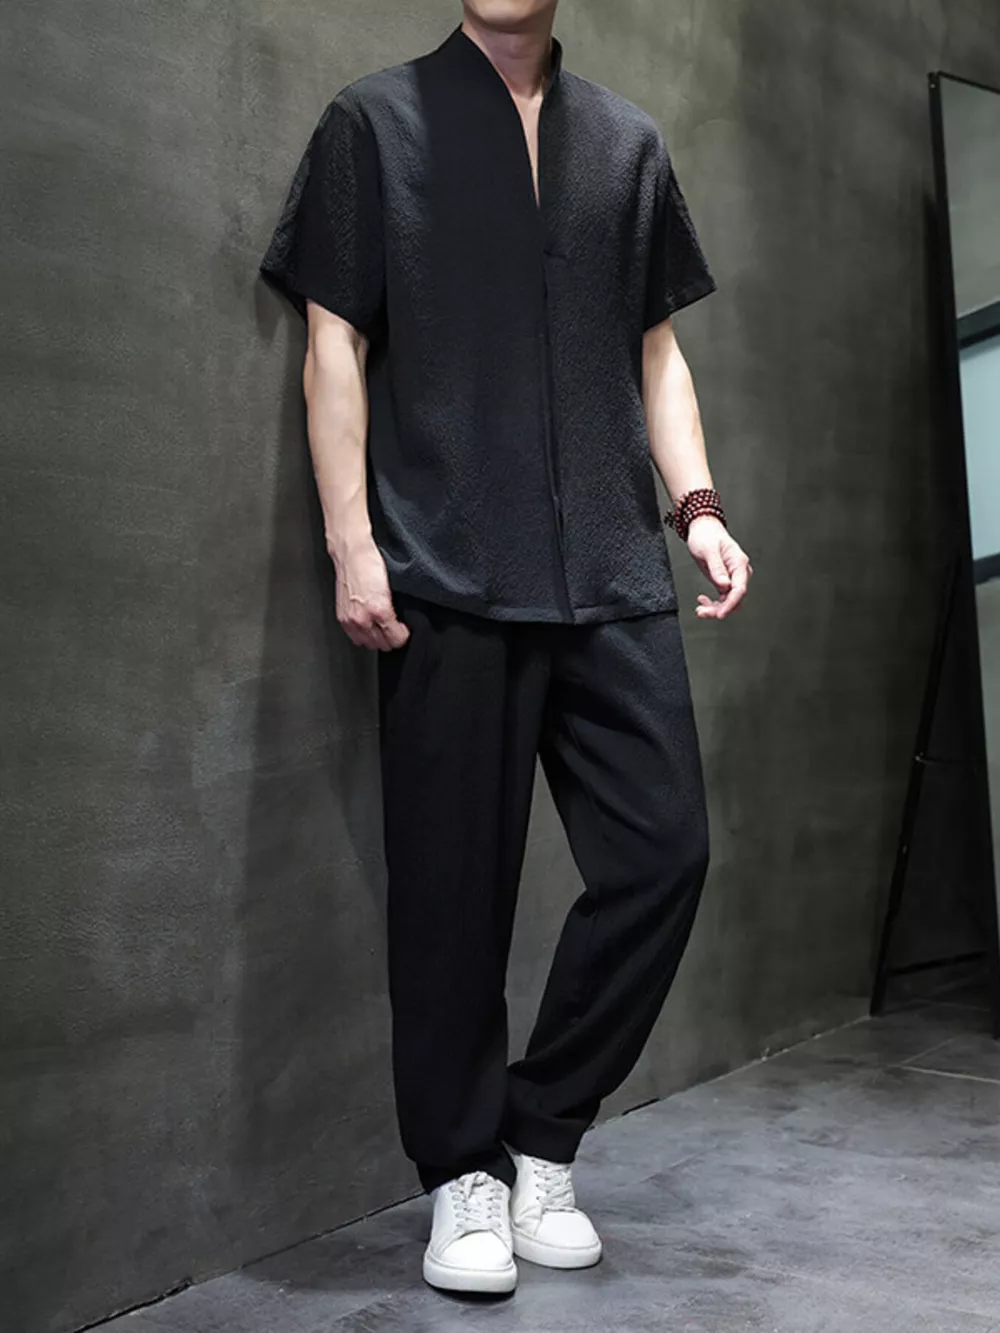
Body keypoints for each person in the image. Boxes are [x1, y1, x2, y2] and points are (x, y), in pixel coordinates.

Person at [259, 0, 752, 1297]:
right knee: (450, 905)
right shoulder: (375, 124)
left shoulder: (627, 145)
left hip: (609, 571)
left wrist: (698, 510)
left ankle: (542, 1134)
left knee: (663, 856)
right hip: (448, 568)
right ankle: (463, 1177)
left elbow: (657, 353)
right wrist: (352, 541)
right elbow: (332, 341)